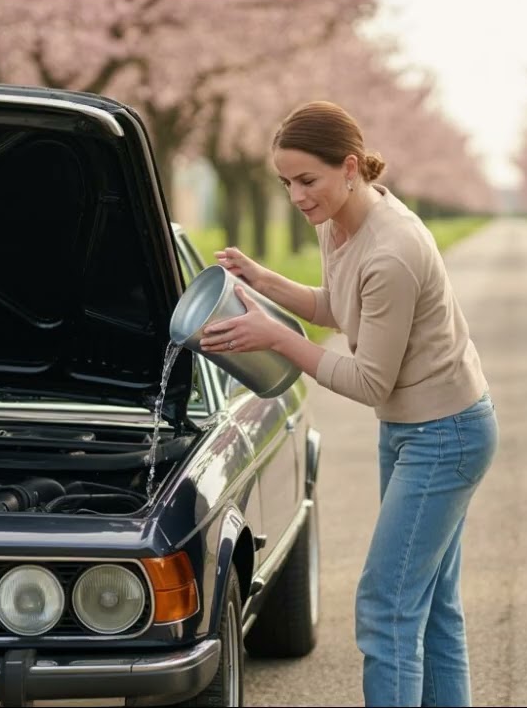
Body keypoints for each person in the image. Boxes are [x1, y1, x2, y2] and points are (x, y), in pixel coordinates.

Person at [197, 100, 497, 707]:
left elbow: (368, 383)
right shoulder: (338, 221)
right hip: (418, 430)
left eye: (308, 180)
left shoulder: (393, 250)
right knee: (433, 608)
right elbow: (339, 306)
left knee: (385, 608)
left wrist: (279, 338)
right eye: (285, 183)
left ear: (351, 167)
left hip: (447, 435)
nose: (297, 196)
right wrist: (262, 279)